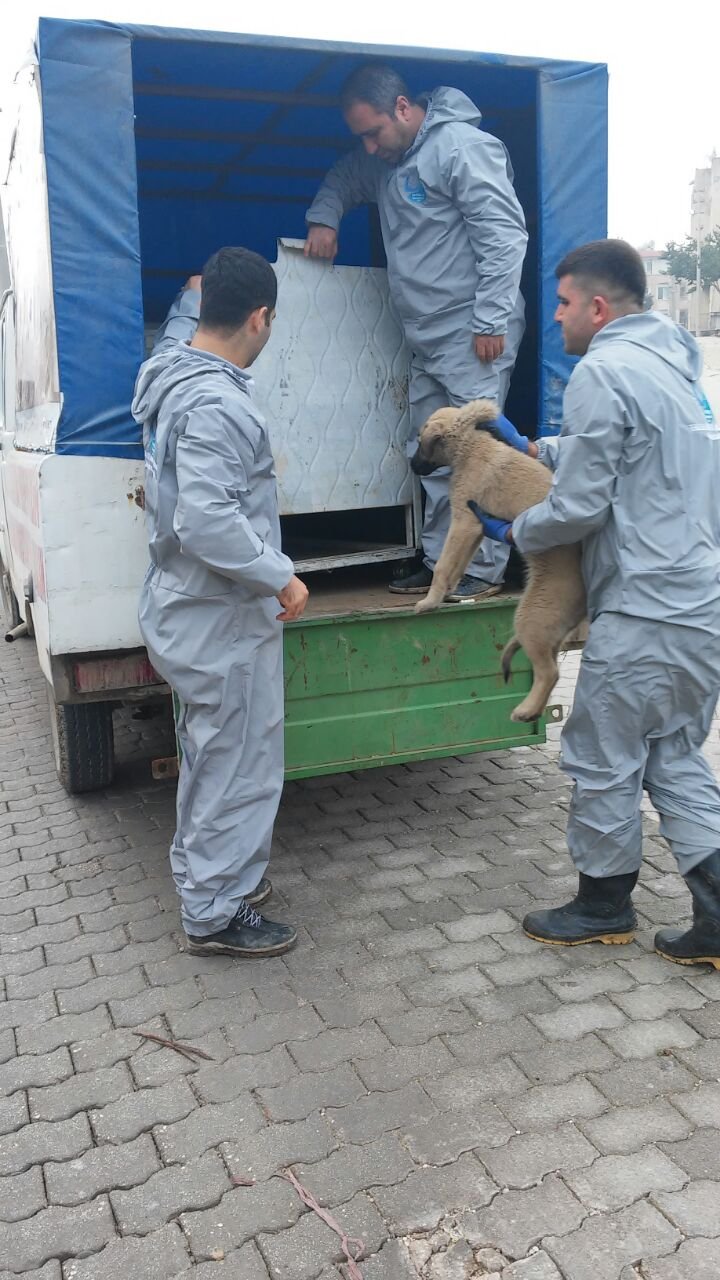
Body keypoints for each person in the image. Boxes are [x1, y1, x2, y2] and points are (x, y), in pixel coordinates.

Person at [470, 239, 720, 969]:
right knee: (671, 752)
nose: (557, 317)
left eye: (563, 303)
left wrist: (517, 528)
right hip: (698, 604)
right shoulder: (680, 372)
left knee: (602, 752)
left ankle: (602, 904)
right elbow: (632, 457)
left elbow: (579, 507)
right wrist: (536, 446)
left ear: (599, 307)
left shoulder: (602, 371)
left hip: (643, 607)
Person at [133, 247, 308, 958]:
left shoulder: (170, 368)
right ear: (260, 318)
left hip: (186, 604)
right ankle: (213, 911)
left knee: (214, 757)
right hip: (221, 614)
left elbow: (184, 315)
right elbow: (205, 522)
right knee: (237, 764)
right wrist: (280, 576)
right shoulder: (217, 403)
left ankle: (221, 879)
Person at [304, 63, 527, 602]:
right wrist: (324, 217)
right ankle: (440, 564)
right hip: (424, 337)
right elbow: (343, 176)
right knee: (431, 454)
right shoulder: (387, 159)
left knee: (480, 454)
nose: (369, 146)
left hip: (473, 333)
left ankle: (485, 568)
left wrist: (491, 318)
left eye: (373, 131)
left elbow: (503, 235)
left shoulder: (460, 148)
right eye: (362, 135)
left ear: (403, 108)